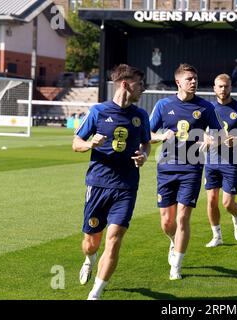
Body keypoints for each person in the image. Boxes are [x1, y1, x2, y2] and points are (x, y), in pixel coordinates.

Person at [73, 64, 150, 299]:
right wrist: (90, 144)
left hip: (126, 186)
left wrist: (144, 155)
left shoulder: (141, 116)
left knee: (114, 239)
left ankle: (95, 294)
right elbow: (76, 143)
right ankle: (89, 259)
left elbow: (146, 142)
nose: (143, 89)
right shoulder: (98, 111)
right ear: (125, 84)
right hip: (98, 184)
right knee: (91, 242)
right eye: (140, 84)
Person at [149, 63, 224, 280]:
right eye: (189, 79)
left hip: (192, 169)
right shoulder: (163, 105)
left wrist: (212, 138)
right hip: (166, 168)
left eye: (195, 78)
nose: (193, 82)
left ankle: (177, 267)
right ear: (178, 82)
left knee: (183, 218)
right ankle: (173, 242)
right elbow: (147, 133)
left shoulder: (207, 107)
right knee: (167, 222)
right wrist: (161, 137)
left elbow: (221, 135)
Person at [204, 74, 237, 247]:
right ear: (214, 88)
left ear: (231, 87)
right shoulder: (208, 108)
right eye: (219, 86)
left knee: (227, 203)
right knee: (211, 200)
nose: (223, 90)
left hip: (231, 163)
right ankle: (217, 236)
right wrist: (206, 139)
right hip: (211, 161)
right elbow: (202, 130)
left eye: (226, 86)